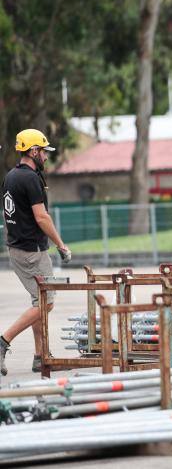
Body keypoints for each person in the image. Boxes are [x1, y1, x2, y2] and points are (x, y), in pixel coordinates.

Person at [0, 129, 71, 376]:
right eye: (43, 151)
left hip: (17, 248)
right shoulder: (30, 179)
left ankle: (40, 357)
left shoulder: (10, 176)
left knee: (37, 302)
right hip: (32, 251)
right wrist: (61, 245)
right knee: (46, 303)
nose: (46, 156)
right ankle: (4, 340)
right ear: (33, 151)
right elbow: (41, 216)